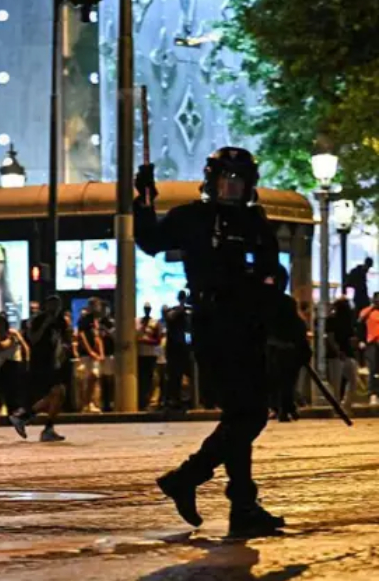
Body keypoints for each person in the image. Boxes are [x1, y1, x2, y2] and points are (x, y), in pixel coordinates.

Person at [136, 146, 285, 538]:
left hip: (250, 326)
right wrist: (143, 201)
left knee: (241, 415)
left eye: (238, 180)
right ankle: (189, 478)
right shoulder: (193, 217)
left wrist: (273, 301)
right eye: (225, 178)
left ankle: (242, 505)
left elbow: (275, 270)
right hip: (214, 325)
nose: (231, 186)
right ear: (212, 179)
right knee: (247, 415)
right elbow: (150, 241)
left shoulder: (256, 221)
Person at [7, 295, 67, 442]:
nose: (55, 308)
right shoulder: (38, 319)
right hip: (40, 362)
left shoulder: (60, 322)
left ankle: (28, 418)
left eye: (57, 305)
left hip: (54, 362)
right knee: (56, 393)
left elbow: (62, 340)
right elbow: (33, 338)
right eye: (52, 305)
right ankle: (28, 418)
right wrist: (45, 324)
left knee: (57, 395)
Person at [265, 265, 309, 422]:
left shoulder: (284, 302)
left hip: (283, 348)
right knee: (282, 380)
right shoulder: (278, 302)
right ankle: (284, 407)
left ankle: (285, 407)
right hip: (276, 347)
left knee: (284, 380)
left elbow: (294, 326)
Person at [0, 313, 27, 416]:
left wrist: (27, 359)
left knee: (13, 389)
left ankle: (13, 411)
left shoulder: (12, 333)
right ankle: (1, 408)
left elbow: (23, 345)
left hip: (13, 362)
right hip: (0, 364)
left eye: (1, 321)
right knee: (0, 388)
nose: (0, 324)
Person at [163, 291, 192, 411]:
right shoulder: (174, 311)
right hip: (174, 348)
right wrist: (181, 307)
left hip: (186, 347)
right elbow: (169, 317)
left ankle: (190, 399)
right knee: (174, 376)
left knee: (190, 374)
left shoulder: (188, 311)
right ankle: (174, 400)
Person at [137, 303, 162, 411]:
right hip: (139, 355)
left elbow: (158, 341)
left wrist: (144, 341)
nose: (147, 310)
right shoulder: (138, 322)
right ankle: (141, 402)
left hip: (151, 355)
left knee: (150, 379)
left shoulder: (155, 323)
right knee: (141, 380)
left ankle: (149, 401)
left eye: (148, 309)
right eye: (145, 309)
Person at [357, 292, 379, 407]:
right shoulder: (367, 312)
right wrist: (361, 340)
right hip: (372, 343)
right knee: (373, 369)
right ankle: (373, 394)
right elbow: (360, 325)